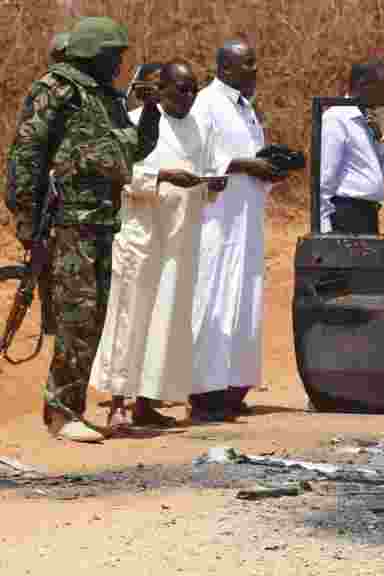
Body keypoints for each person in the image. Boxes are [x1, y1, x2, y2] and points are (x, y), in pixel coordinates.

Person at [7, 16, 160, 442]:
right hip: (66, 221)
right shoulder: (57, 89)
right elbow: (27, 157)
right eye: (113, 55)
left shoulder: (105, 96)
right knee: (75, 316)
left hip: (102, 221)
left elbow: (136, 148)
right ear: (93, 53)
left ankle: (69, 408)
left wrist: (150, 108)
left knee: (93, 318)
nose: (118, 64)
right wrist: (27, 225)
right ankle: (60, 413)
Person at [89, 61, 226, 429]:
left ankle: (147, 403)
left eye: (194, 89)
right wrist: (164, 176)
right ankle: (118, 402)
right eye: (182, 89)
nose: (189, 96)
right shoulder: (134, 121)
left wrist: (212, 184)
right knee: (130, 315)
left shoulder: (202, 126)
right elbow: (119, 172)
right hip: (142, 234)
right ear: (161, 88)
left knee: (168, 320)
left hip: (180, 238)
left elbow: (208, 168)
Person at [189, 39, 285, 422]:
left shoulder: (246, 109)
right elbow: (201, 159)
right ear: (225, 68)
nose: (255, 70)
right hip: (217, 221)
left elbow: (251, 157)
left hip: (247, 220)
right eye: (248, 63)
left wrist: (270, 166)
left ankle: (232, 389)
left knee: (244, 300)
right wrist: (245, 166)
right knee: (213, 300)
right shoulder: (207, 103)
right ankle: (204, 392)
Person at [319, 58, 384, 234]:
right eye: (381, 88)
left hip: (367, 213)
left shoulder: (367, 119)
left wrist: (378, 137)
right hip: (346, 213)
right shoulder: (336, 118)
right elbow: (325, 177)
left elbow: (380, 172)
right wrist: (324, 227)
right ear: (362, 84)